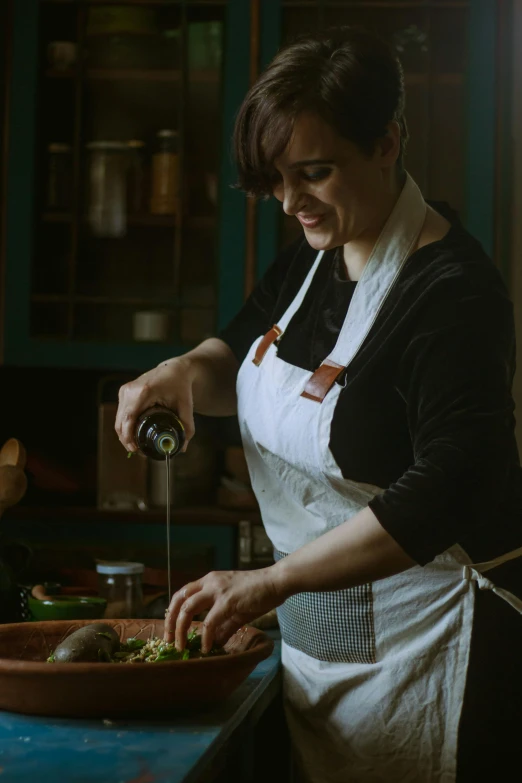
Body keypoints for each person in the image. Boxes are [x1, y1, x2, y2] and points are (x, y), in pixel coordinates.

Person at [116, 26, 522, 783]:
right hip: (324, 656)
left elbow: (450, 491)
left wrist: (272, 581)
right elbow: (231, 356)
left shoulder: (453, 294)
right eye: (276, 180)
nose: (289, 203)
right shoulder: (315, 254)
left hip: (438, 657)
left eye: (315, 173)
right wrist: (177, 371)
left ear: (387, 142)